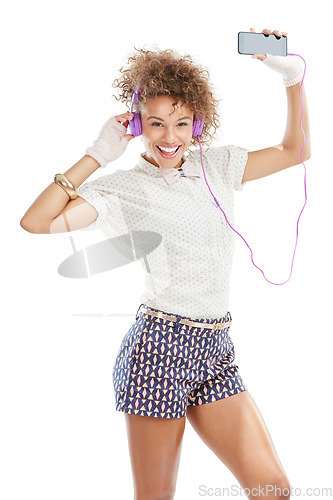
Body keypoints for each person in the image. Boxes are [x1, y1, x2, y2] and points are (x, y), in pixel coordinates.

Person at [20, 28, 310, 500]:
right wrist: (96, 155)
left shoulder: (216, 167)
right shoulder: (123, 190)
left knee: (272, 488)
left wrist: (293, 80)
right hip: (160, 350)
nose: (168, 137)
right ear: (137, 126)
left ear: (197, 123)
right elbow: (36, 222)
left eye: (180, 123)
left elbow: (296, 150)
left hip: (216, 347)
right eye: (155, 123)